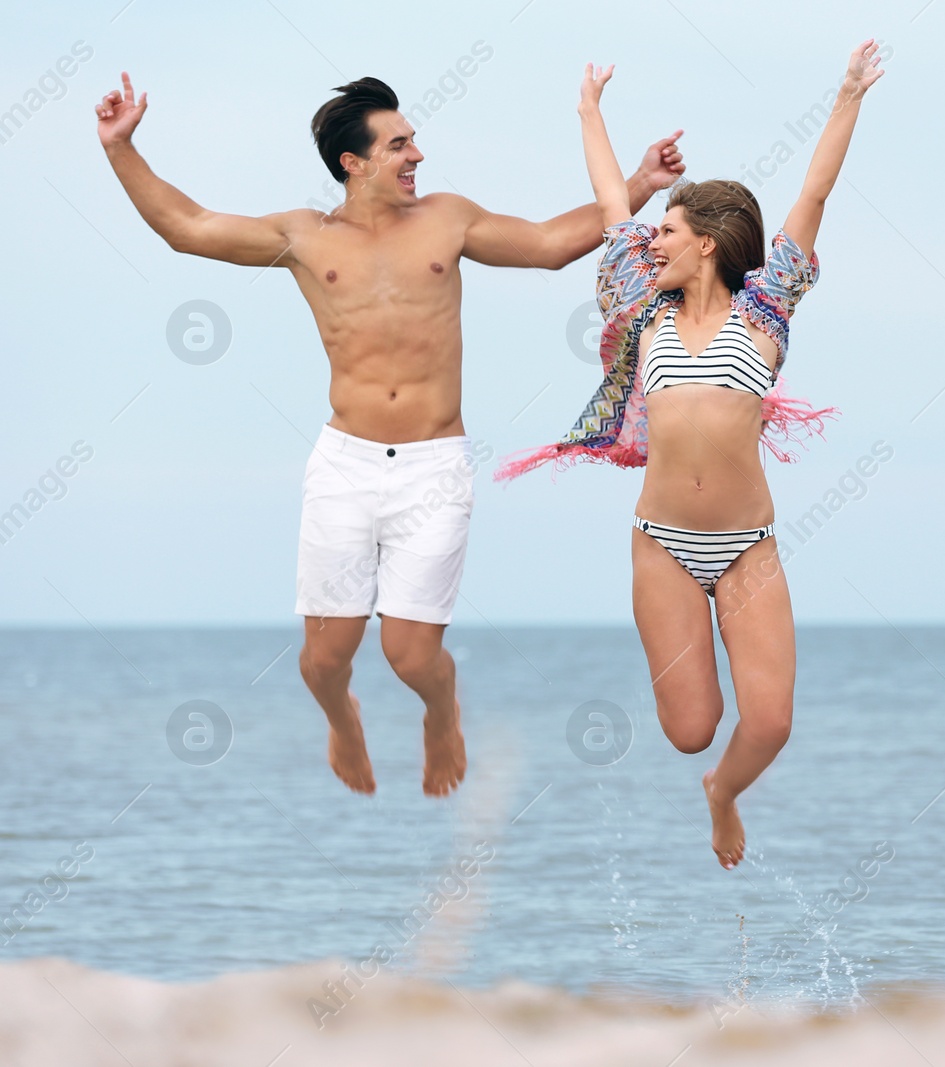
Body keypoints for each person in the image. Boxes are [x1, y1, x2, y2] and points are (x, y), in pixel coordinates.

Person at [96, 72, 685, 796]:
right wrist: (122, 148)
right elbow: (186, 227)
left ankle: (442, 712)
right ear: (355, 162)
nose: (418, 156)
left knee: (411, 655)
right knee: (322, 661)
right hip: (345, 464)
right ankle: (343, 721)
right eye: (401, 144)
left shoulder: (448, 219)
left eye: (414, 141)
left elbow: (549, 244)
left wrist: (640, 183)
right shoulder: (303, 236)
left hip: (434, 464)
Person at [497, 42, 884, 867]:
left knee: (770, 723)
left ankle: (725, 792)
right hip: (664, 546)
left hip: (749, 546)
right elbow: (612, 205)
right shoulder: (644, 312)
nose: (653, 241)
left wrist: (848, 92)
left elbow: (814, 191)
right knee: (690, 728)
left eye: (668, 229)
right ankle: (701, 763)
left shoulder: (766, 314)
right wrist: (588, 112)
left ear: (708, 242)